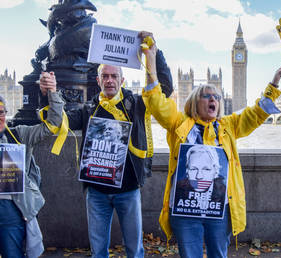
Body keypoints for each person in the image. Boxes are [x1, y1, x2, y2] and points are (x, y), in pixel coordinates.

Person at [141, 36, 281, 257]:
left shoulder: (229, 126)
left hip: (219, 209)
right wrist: (151, 58)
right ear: (194, 101)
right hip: (186, 208)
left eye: (217, 96)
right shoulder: (179, 124)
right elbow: (155, 101)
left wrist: (276, 80)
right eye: (207, 96)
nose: (214, 99)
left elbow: (258, 112)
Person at [40, 31, 173, 258]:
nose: (110, 80)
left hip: (128, 190)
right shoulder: (87, 110)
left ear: (122, 80)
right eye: (106, 76)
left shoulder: (138, 104)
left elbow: (165, 90)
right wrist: (48, 94)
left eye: (114, 76)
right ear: (98, 80)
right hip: (97, 192)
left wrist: (155, 54)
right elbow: (58, 120)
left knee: (135, 249)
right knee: (98, 250)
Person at [0, 72, 64, 258]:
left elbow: (53, 124)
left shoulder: (19, 135)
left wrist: (52, 92)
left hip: (11, 213)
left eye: (1, 112)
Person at [173, 145, 226, 213]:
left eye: (206, 169)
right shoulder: (178, 190)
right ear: (187, 171)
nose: (199, 176)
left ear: (215, 172)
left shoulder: (223, 193)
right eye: (193, 169)